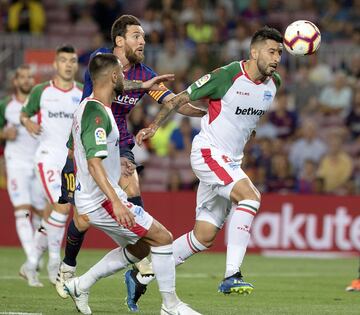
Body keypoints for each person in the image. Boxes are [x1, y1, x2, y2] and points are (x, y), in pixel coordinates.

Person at [56, 15, 206, 311]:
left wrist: (209, 112)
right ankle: (68, 268)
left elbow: (173, 102)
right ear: (120, 40)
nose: (143, 42)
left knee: (131, 188)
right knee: (81, 217)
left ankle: (139, 252)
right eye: (137, 36)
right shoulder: (102, 62)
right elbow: (120, 84)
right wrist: (145, 84)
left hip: (119, 141)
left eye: (144, 37)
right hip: (84, 143)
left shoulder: (142, 71)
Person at [133, 26, 283, 304]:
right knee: (250, 197)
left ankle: (144, 271)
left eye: (280, 53)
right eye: (271, 51)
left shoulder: (274, 85)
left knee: (203, 237)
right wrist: (153, 126)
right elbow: (180, 99)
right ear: (254, 52)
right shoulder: (226, 75)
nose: (276, 58)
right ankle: (232, 275)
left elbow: (243, 117)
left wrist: (246, 130)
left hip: (230, 160)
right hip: (208, 153)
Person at [19, 45, 83, 285]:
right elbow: (25, 114)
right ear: (56, 64)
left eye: (73, 60)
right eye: (64, 60)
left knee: (52, 213)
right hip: (47, 156)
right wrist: (28, 124)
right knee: (63, 206)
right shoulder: (41, 91)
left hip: (70, 162)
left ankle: (32, 263)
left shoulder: (81, 94)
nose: (68, 64)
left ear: (76, 65)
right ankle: (55, 262)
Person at [0, 64, 46, 287]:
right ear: (15, 82)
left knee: (41, 215)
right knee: (22, 212)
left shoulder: (41, 103)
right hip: (16, 163)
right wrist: (2, 134)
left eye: (30, 76)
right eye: (23, 77)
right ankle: (32, 261)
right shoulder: (5, 106)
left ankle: (33, 259)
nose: (27, 80)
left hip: (39, 162)